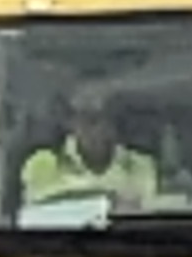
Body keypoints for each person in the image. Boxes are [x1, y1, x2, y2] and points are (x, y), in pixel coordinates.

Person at [17, 85, 160, 222]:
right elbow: (36, 218)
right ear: (70, 123)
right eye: (81, 118)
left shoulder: (140, 165)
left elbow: (146, 217)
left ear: (113, 125)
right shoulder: (41, 164)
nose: (89, 129)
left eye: (96, 120)